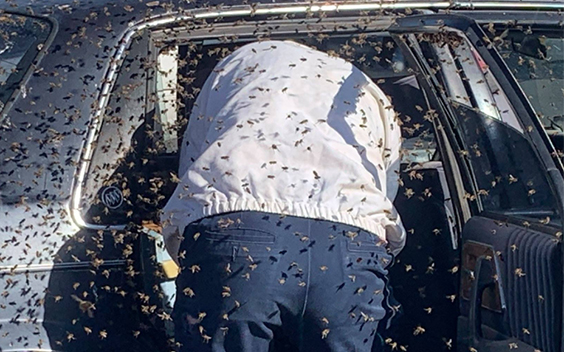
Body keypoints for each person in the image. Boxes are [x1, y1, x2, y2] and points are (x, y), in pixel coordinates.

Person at [161, 40, 405, 352]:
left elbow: (195, 171)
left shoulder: (236, 66)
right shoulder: (360, 86)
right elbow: (385, 184)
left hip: (238, 234)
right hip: (350, 246)